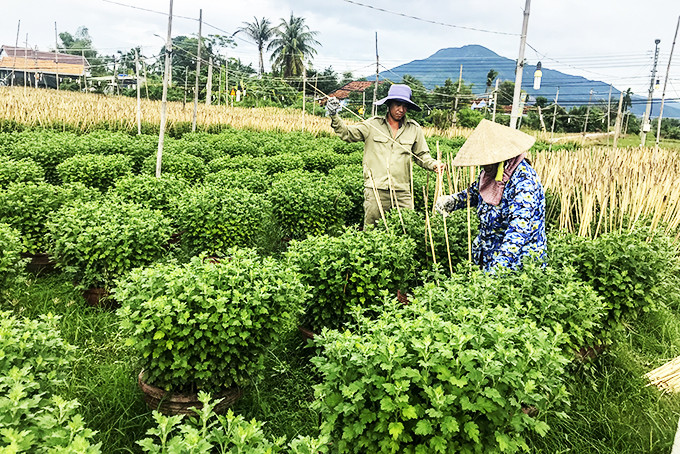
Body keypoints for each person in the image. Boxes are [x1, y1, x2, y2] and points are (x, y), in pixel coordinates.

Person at [326, 84, 445, 229]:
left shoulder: (414, 129)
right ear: (389, 105)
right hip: (376, 189)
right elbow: (347, 134)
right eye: (397, 105)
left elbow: (422, 155)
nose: (401, 110)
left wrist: (433, 164)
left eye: (405, 106)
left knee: (407, 228)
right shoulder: (372, 125)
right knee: (372, 231)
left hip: (402, 191)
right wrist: (334, 116)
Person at [434, 119, 546, 271]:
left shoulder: (524, 182)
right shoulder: (495, 170)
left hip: (517, 263)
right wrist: (454, 201)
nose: (483, 164)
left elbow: (519, 230)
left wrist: (498, 268)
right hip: (489, 253)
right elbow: (476, 192)